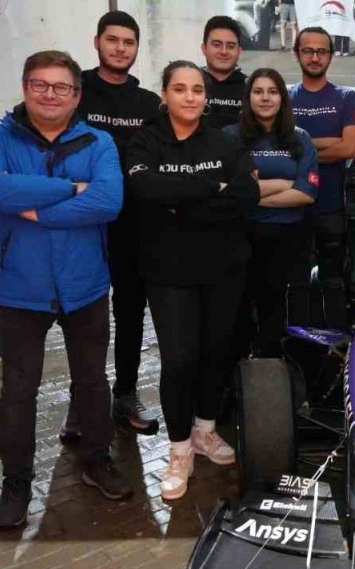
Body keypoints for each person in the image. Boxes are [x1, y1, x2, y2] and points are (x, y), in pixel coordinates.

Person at [0, 50, 131, 528]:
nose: (50, 94)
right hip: (19, 288)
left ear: (76, 96)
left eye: (61, 87)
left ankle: (96, 458)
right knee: (19, 390)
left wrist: (35, 209)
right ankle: (16, 481)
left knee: (92, 381)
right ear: (25, 88)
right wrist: (71, 189)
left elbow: (109, 201)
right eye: (39, 84)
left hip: (85, 284)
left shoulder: (99, 141)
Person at [124, 60, 258, 500]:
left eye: (197, 90)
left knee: (215, 353)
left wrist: (180, 204)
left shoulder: (224, 141)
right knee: (179, 360)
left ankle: (204, 431)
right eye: (179, 89)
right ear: (165, 94)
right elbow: (146, 190)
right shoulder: (145, 140)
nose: (189, 97)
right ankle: (179, 450)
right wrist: (210, 188)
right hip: (167, 271)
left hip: (223, 268)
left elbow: (247, 194)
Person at [75, 10, 162, 438]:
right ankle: (82, 404)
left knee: (129, 313)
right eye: (113, 40)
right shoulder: (75, 92)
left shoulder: (148, 104)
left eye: (129, 42)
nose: (120, 48)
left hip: (133, 225)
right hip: (82, 225)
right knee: (81, 316)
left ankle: (124, 394)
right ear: (97, 41)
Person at [225, 68, 319, 357]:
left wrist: (252, 194)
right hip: (241, 238)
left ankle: (273, 372)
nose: (265, 98)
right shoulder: (229, 137)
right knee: (237, 317)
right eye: (258, 91)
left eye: (272, 91)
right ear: (248, 97)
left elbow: (306, 193)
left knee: (276, 317)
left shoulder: (300, 138)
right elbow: (228, 191)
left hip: (287, 241)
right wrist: (282, 183)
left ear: (282, 98)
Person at [288, 27, 355, 331]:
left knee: (333, 281)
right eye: (308, 50)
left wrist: (303, 147)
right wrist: (327, 142)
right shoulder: (285, 97)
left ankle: (336, 343)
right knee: (295, 281)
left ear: (330, 56)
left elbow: (349, 148)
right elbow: (280, 148)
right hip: (291, 207)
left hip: (331, 208)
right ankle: (295, 343)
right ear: (297, 54)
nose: (315, 57)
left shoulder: (345, 97)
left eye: (321, 51)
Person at [201, 15, 247, 130]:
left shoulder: (251, 89)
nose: (224, 52)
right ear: (204, 48)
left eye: (231, 46)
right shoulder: (190, 86)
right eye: (217, 45)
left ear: (239, 51)